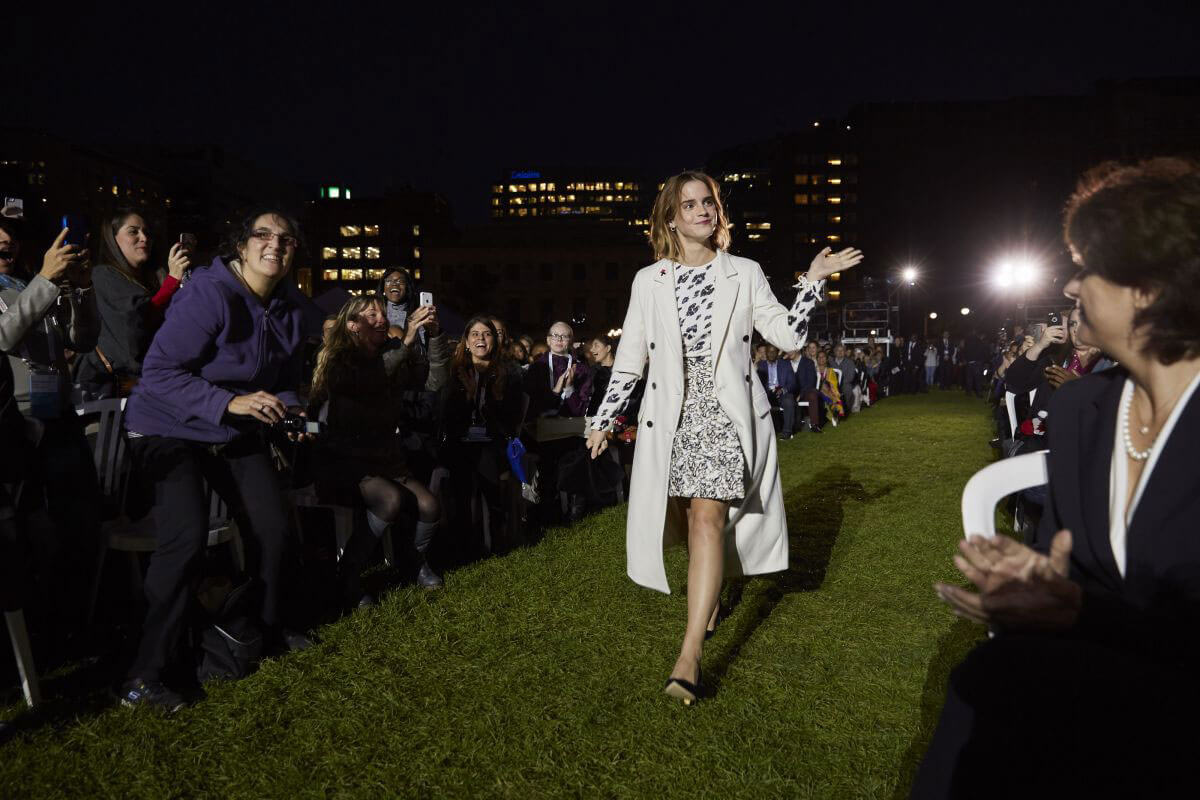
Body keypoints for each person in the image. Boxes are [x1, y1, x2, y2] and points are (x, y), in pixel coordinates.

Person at [916, 158, 1200, 797]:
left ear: (1148, 288)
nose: (1071, 289)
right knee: (991, 676)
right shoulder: (1080, 410)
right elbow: (1069, 567)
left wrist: (1082, 619)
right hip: (1097, 674)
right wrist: (1039, 585)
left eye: (1086, 269)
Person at [584, 170, 862, 703]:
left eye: (707, 202)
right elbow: (631, 357)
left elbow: (786, 336)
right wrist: (603, 419)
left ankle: (689, 656)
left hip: (724, 413)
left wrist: (813, 278)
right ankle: (706, 598)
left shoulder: (744, 272)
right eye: (688, 205)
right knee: (693, 521)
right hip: (671, 416)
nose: (702, 211)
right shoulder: (650, 280)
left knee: (708, 515)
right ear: (671, 218)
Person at [120, 210, 314, 711]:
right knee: (186, 536)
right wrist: (231, 402)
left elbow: (287, 377)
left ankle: (262, 633)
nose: (275, 245)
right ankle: (145, 676)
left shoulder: (293, 306)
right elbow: (158, 373)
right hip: (166, 426)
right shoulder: (209, 293)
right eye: (263, 235)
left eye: (286, 239)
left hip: (230, 429)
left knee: (274, 530)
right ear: (241, 246)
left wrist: (293, 411)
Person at [308, 296, 446, 603]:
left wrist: (434, 337)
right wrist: (407, 339)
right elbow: (371, 379)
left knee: (429, 505)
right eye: (372, 314)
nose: (381, 318)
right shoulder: (339, 359)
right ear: (353, 325)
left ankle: (413, 563)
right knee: (390, 498)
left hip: (385, 458)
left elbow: (435, 382)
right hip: (343, 460)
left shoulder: (390, 354)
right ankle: (348, 576)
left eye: (382, 313)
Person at [73, 208, 190, 397]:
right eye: (133, 231)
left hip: (150, 387)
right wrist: (171, 282)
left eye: (147, 232)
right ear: (113, 238)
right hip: (110, 391)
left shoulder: (151, 279)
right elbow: (137, 321)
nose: (144, 238)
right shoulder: (103, 275)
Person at [439, 317, 525, 556]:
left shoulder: (507, 374)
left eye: (486, 334)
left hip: (492, 442)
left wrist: (494, 400)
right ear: (466, 342)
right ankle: (465, 541)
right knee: (463, 468)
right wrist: (467, 397)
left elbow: (511, 420)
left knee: (485, 461)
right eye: (475, 334)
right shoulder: (454, 372)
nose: (480, 338)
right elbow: (447, 418)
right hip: (460, 442)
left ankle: (496, 537)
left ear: (494, 341)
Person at [756, 344, 798, 439]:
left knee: (789, 400)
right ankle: (762, 433)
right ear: (766, 353)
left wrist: (783, 390)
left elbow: (792, 382)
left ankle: (787, 432)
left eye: (773, 351)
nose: (771, 354)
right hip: (766, 394)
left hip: (781, 392)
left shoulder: (785, 364)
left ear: (777, 353)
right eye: (769, 351)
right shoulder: (760, 365)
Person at [816, 350, 843, 421]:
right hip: (817, 391)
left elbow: (834, 384)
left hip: (829, 391)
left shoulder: (830, 371)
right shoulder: (813, 370)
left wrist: (827, 386)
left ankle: (833, 408)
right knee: (821, 389)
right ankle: (833, 408)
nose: (821, 358)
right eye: (819, 357)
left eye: (823, 357)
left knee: (826, 388)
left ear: (826, 359)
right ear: (817, 359)